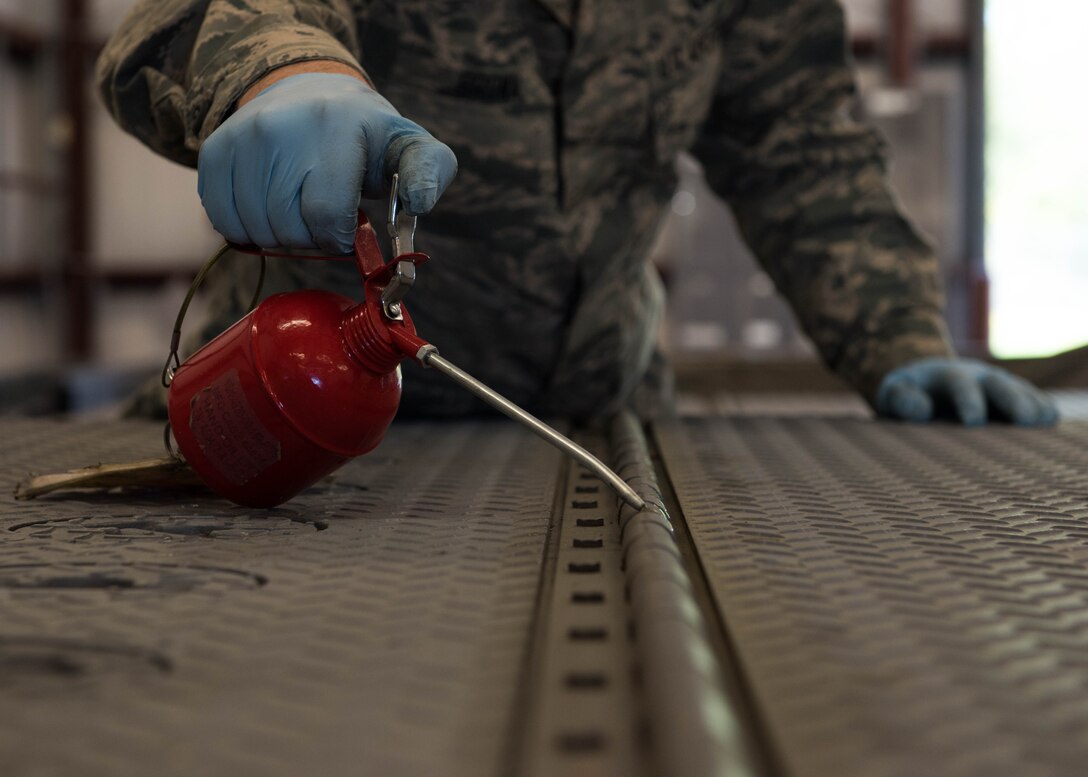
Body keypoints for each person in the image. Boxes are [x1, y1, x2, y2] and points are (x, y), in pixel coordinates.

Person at [96, 0, 1057, 426]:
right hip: (294, 415)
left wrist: (902, 338)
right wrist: (283, 70)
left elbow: (800, 146)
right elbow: (177, 20)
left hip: (604, 408)